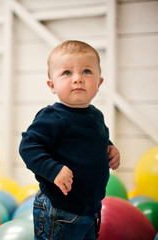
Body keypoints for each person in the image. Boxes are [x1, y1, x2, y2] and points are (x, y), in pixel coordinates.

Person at [19, 40, 120, 240]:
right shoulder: (53, 117)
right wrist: (53, 169)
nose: (77, 79)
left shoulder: (96, 116)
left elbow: (98, 140)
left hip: (90, 209)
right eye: (67, 73)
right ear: (52, 85)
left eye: (87, 71)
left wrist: (110, 148)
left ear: (99, 83)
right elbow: (29, 146)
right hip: (59, 210)